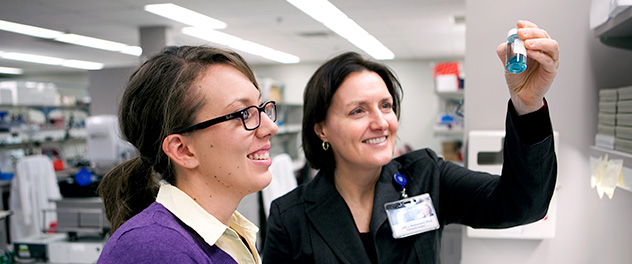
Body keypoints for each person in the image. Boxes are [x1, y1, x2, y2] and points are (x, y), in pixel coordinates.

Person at [262, 20, 559, 264]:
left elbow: (523, 206)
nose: (380, 122)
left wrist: (528, 105)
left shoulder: (427, 176)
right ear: (321, 129)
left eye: (386, 106)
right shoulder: (290, 217)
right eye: (358, 110)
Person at [97, 45, 278, 263]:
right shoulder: (153, 250)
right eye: (242, 114)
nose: (270, 127)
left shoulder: (229, 235)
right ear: (183, 150)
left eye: (260, 107)